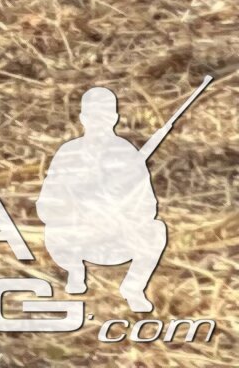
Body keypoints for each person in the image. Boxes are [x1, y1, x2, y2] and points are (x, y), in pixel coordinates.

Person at [39, 87, 171, 312]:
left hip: (117, 237)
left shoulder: (127, 152)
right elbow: (46, 204)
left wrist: (122, 214)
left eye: (105, 116)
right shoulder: (67, 153)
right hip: (77, 236)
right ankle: (75, 271)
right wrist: (78, 213)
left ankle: (133, 288)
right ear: (83, 118)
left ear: (115, 119)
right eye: (93, 116)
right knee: (52, 232)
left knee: (156, 230)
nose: (98, 123)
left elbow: (148, 205)